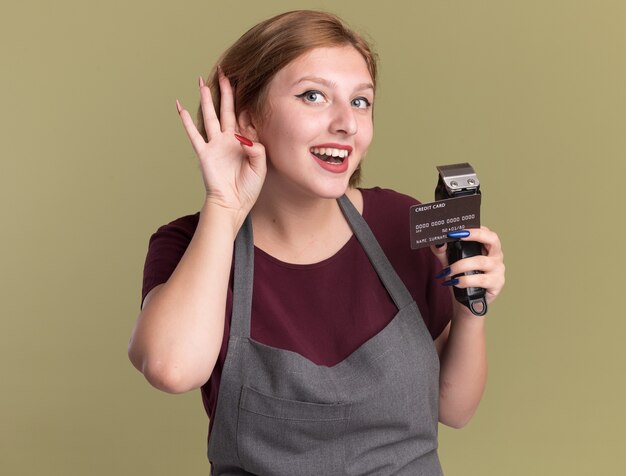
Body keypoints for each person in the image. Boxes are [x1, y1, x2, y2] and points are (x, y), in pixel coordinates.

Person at [128, 9, 505, 475]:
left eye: (361, 102)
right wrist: (223, 207)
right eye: (314, 96)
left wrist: (471, 309)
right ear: (247, 118)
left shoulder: (401, 222)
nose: (346, 123)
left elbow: (455, 409)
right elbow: (170, 368)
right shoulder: (190, 243)